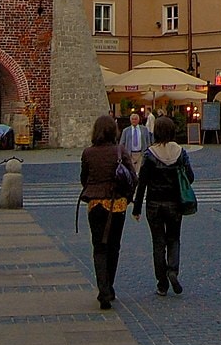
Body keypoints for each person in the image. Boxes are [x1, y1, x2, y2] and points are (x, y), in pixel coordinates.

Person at [132, 116, 193, 296]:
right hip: (174, 203)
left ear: (156, 132)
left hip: (154, 204)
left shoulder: (150, 155)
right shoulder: (180, 152)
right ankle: (172, 270)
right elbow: (190, 177)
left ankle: (162, 283)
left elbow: (142, 183)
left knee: (158, 243)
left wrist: (136, 209)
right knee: (174, 239)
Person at [80, 115, 129, 309]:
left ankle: (103, 289)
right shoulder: (120, 151)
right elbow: (131, 176)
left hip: (96, 205)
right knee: (114, 246)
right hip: (117, 205)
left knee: (99, 247)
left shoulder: (88, 153)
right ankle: (109, 286)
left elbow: (84, 178)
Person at [121, 112, 150, 177]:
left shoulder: (144, 129)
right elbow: (122, 143)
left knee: (140, 173)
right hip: (130, 154)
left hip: (141, 154)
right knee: (131, 172)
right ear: (130, 120)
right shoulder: (125, 131)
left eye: (135, 119)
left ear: (138, 120)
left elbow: (148, 142)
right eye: (133, 119)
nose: (134, 120)